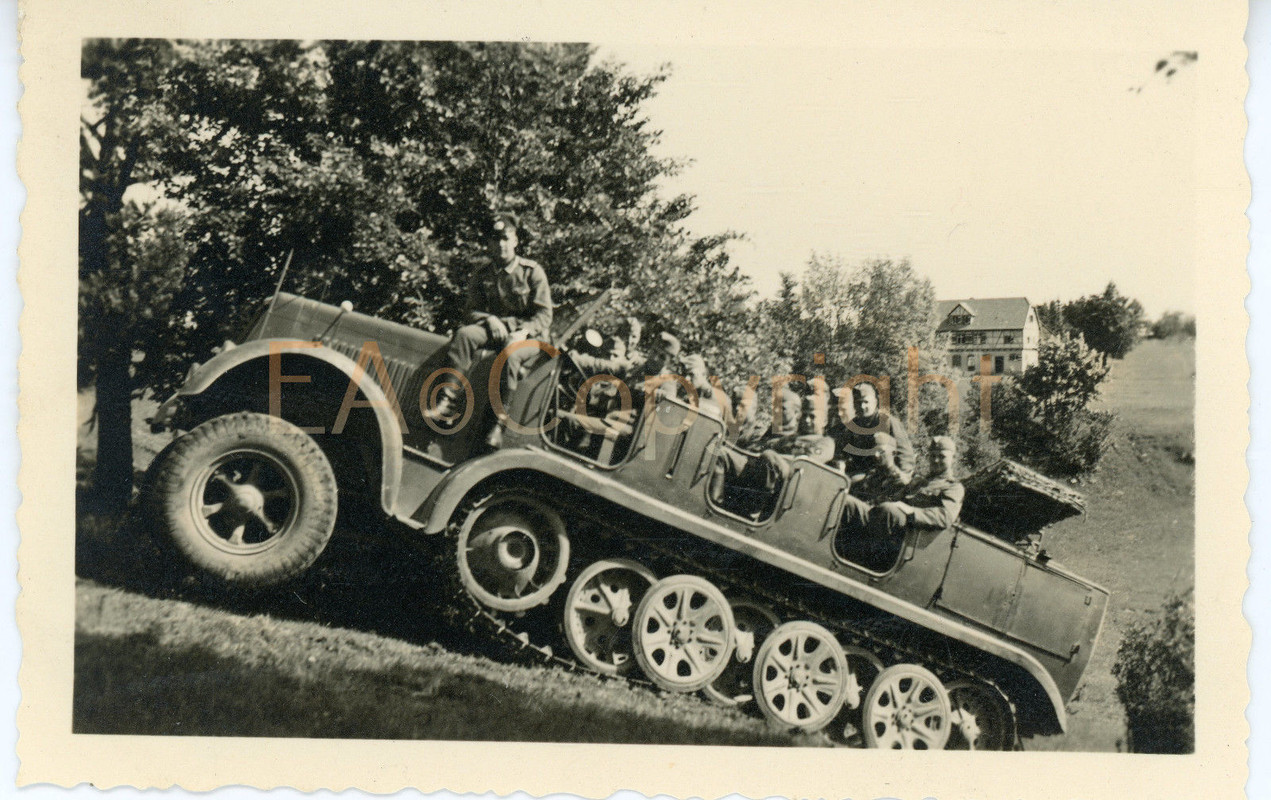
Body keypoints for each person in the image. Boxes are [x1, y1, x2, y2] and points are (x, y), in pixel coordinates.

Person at [431, 212, 553, 420]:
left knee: (512, 353)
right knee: (464, 335)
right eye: (495, 240)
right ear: (489, 243)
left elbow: (544, 315)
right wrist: (489, 319)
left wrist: (523, 332)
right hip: (496, 331)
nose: (501, 245)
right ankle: (448, 399)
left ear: (515, 240)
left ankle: (499, 422)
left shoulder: (531, 272)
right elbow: (470, 311)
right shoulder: (483, 273)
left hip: (530, 337)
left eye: (505, 239)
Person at [839, 435, 965, 539]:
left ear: (953, 458)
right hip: (890, 522)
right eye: (933, 456)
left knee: (888, 510)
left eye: (942, 456)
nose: (936, 460)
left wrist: (910, 511)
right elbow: (893, 498)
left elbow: (945, 516)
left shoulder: (954, 487)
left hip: (909, 533)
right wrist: (872, 503)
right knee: (847, 502)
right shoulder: (919, 481)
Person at [832, 382, 914, 499]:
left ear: (875, 402)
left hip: (886, 476)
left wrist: (902, 478)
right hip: (862, 475)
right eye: (858, 402)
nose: (862, 406)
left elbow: (905, 455)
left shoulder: (888, 422)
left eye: (866, 402)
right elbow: (845, 452)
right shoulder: (854, 425)